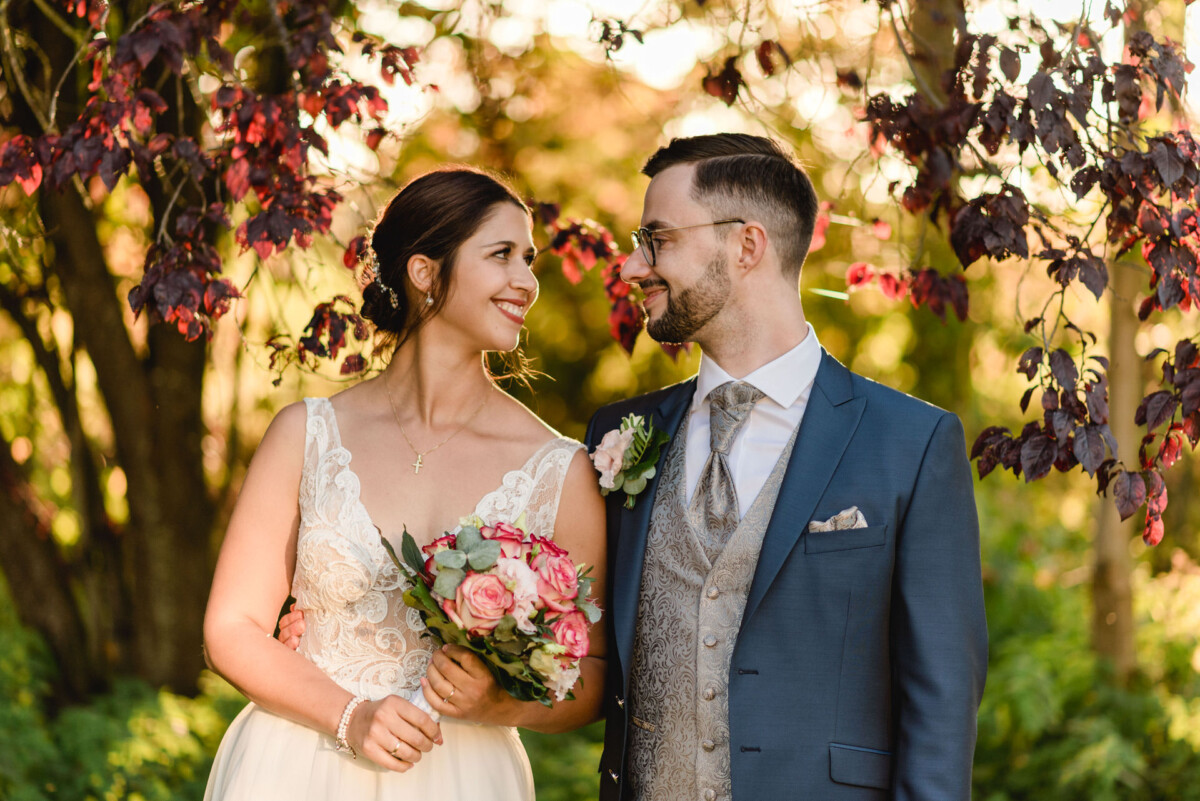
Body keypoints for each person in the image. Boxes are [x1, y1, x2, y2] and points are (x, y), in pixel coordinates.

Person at [583, 133, 987, 801]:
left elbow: (942, 704)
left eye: (657, 240)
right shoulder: (618, 434)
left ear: (747, 246)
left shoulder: (911, 443)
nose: (632, 267)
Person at [202, 166, 607, 801]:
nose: (527, 282)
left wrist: (498, 703)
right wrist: (350, 716)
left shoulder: (560, 469)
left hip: (460, 777)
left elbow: (595, 675)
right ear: (423, 272)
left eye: (528, 260)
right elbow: (231, 627)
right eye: (501, 254)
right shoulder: (304, 434)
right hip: (296, 763)